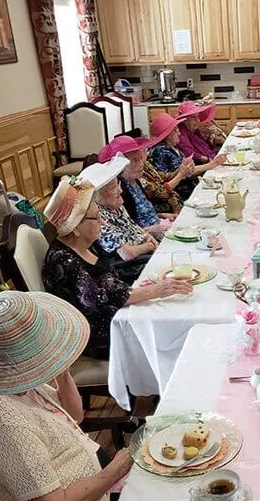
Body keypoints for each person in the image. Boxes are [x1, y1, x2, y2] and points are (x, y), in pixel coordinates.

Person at [0, 290, 133, 501]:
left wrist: (58, 366)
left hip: (91, 487)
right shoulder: (0, 417)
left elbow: (74, 415)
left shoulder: (10, 373)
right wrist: (115, 470)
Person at [43, 178, 192, 359]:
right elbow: (102, 298)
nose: (103, 223)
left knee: (177, 311)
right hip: (101, 335)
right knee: (176, 331)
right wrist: (159, 289)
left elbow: (110, 282)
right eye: (96, 218)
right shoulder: (64, 261)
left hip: (117, 316)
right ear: (75, 227)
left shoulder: (82, 244)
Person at [79, 155, 157, 271]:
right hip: (130, 267)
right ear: (97, 197)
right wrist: (149, 246)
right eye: (112, 188)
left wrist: (150, 240)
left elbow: (136, 228)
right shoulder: (97, 218)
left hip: (145, 254)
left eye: (118, 184)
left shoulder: (116, 206)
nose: (120, 190)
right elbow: (127, 254)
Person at [98, 136, 174, 238]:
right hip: (146, 236)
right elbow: (129, 228)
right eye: (135, 160)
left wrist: (161, 215)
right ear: (122, 166)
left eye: (140, 159)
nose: (141, 164)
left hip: (159, 226)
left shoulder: (135, 180)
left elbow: (145, 211)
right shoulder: (120, 190)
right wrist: (151, 230)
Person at [148, 111, 224, 202]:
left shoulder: (172, 147)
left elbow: (186, 170)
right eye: (175, 130)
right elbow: (185, 172)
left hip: (191, 187)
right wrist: (212, 164)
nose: (179, 133)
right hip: (182, 195)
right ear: (167, 135)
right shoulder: (162, 151)